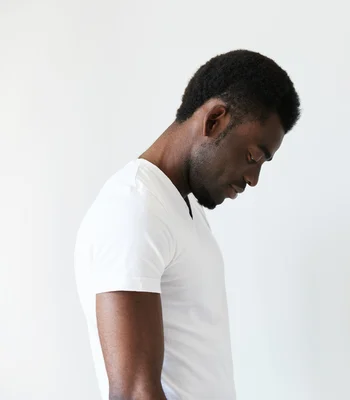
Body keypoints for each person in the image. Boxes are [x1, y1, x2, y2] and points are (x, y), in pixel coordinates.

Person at [74, 49, 301, 400]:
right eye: (253, 156)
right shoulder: (134, 208)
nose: (254, 178)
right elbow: (134, 392)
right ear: (214, 120)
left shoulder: (178, 206)